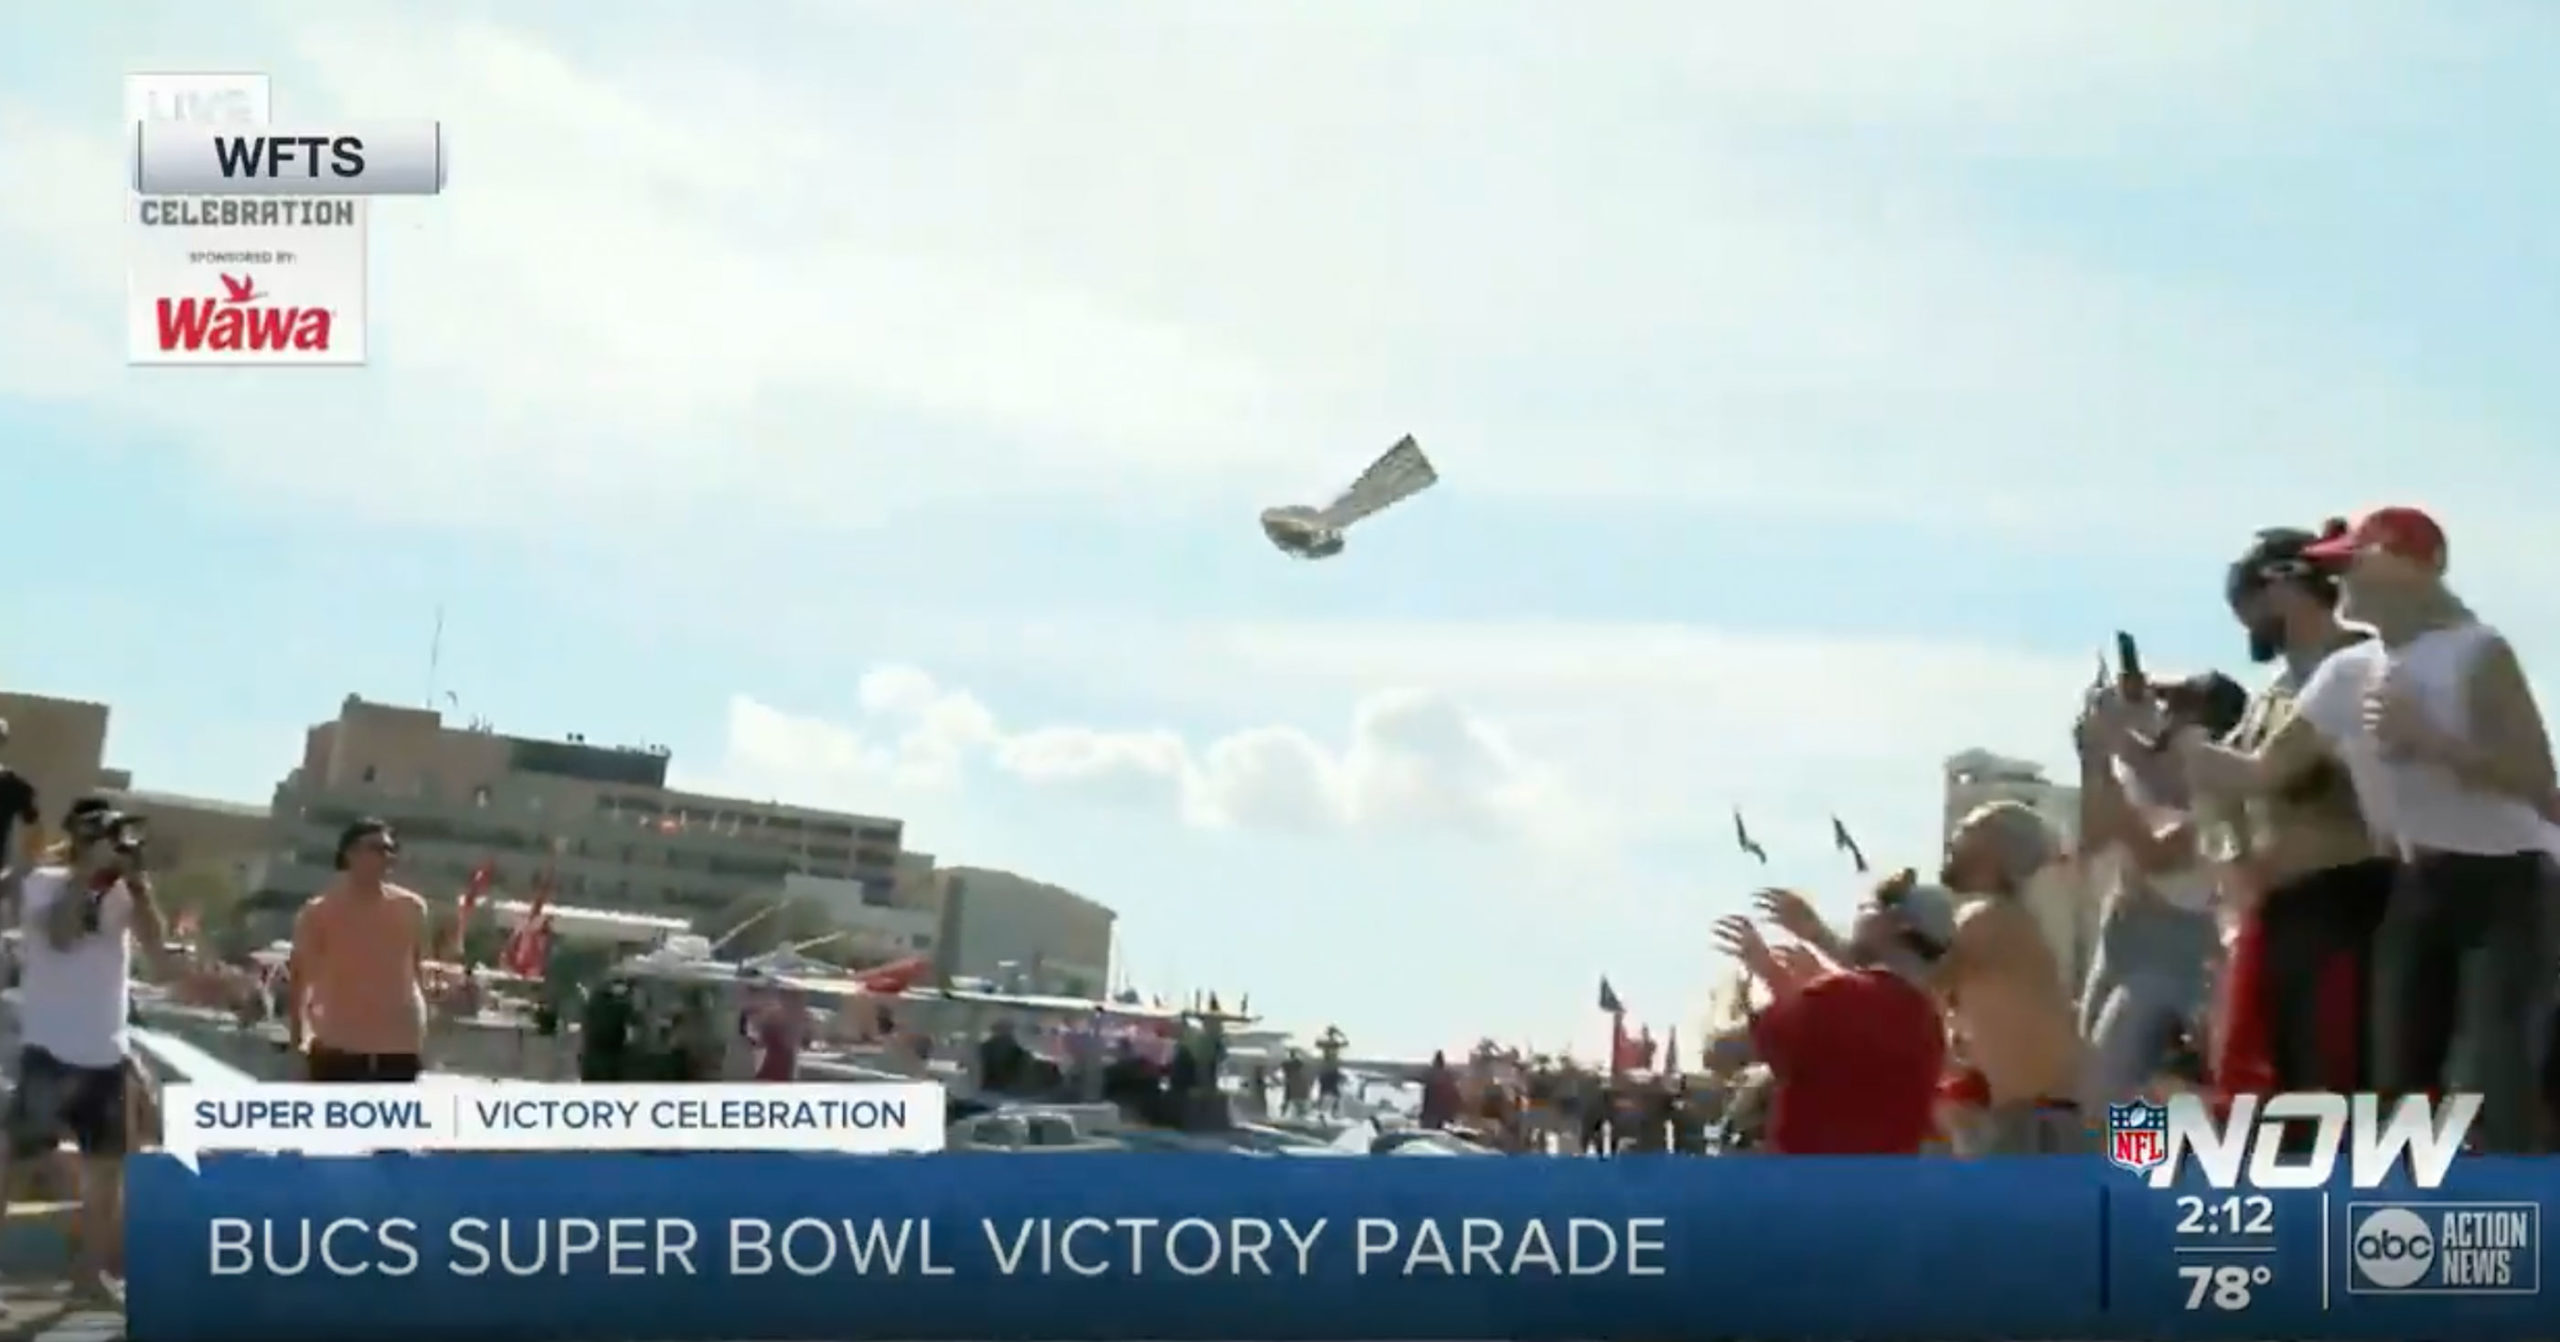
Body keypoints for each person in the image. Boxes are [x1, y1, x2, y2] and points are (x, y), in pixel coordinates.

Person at [2180, 508, 2555, 1150]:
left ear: (2410, 566)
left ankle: (2530, 1233)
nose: (2336, 576)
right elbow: (2264, 773)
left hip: (2510, 881)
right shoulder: (2349, 672)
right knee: (2397, 1082)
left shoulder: (2478, 653)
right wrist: (2166, 748)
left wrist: (2432, 742)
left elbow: (2540, 784)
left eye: (2352, 560)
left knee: (2494, 1075)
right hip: (2420, 881)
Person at [2200, 524, 2396, 1096]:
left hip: (2355, 901)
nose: (2245, 620)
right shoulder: (2272, 694)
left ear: (2282, 586)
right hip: (2284, 910)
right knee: (2285, 1081)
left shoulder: (2365, 665)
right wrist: (2235, 856)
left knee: (2341, 1078)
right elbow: (2223, 787)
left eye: (2247, 602)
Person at [0, 798, 168, 1302]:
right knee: (17, 1163)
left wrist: (136, 883)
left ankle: (90, 1273)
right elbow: (61, 935)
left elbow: (158, 954)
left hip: (105, 1052)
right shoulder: (42, 882)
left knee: (106, 1170)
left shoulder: (125, 892)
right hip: (51, 1050)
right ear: (80, 837)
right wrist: (85, 876)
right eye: (104, 837)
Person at [2076, 673, 2245, 1107]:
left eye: (2180, 716)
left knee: (2109, 1086)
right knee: (2100, 1083)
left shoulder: (2217, 802)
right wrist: (2094, 757)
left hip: (2171, 954)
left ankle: (2131, 1169)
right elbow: (2094, 836)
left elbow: (2152, 851)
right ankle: (2127, 1170)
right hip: (2122, 934)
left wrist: (2106, 752)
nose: (2165, 724)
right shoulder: (2149, 778)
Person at [1705, 871, 1950, 1154]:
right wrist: (1776, 973)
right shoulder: (1929, 1025)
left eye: (1866, 908)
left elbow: (1720, 1050)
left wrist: (1727, 995)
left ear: (1894, 923)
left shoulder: (1841, 995)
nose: (1856, 916)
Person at [289, 818, 431, 1082]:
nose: (386, 857)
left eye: (390, 850)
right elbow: (300, 979)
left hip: (399, 1045)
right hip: (337, 1044)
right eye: (376, 848)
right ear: (350, 853)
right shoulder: (319, 912)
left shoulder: (412, 907)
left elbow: (416, 967)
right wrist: (297, 1039)